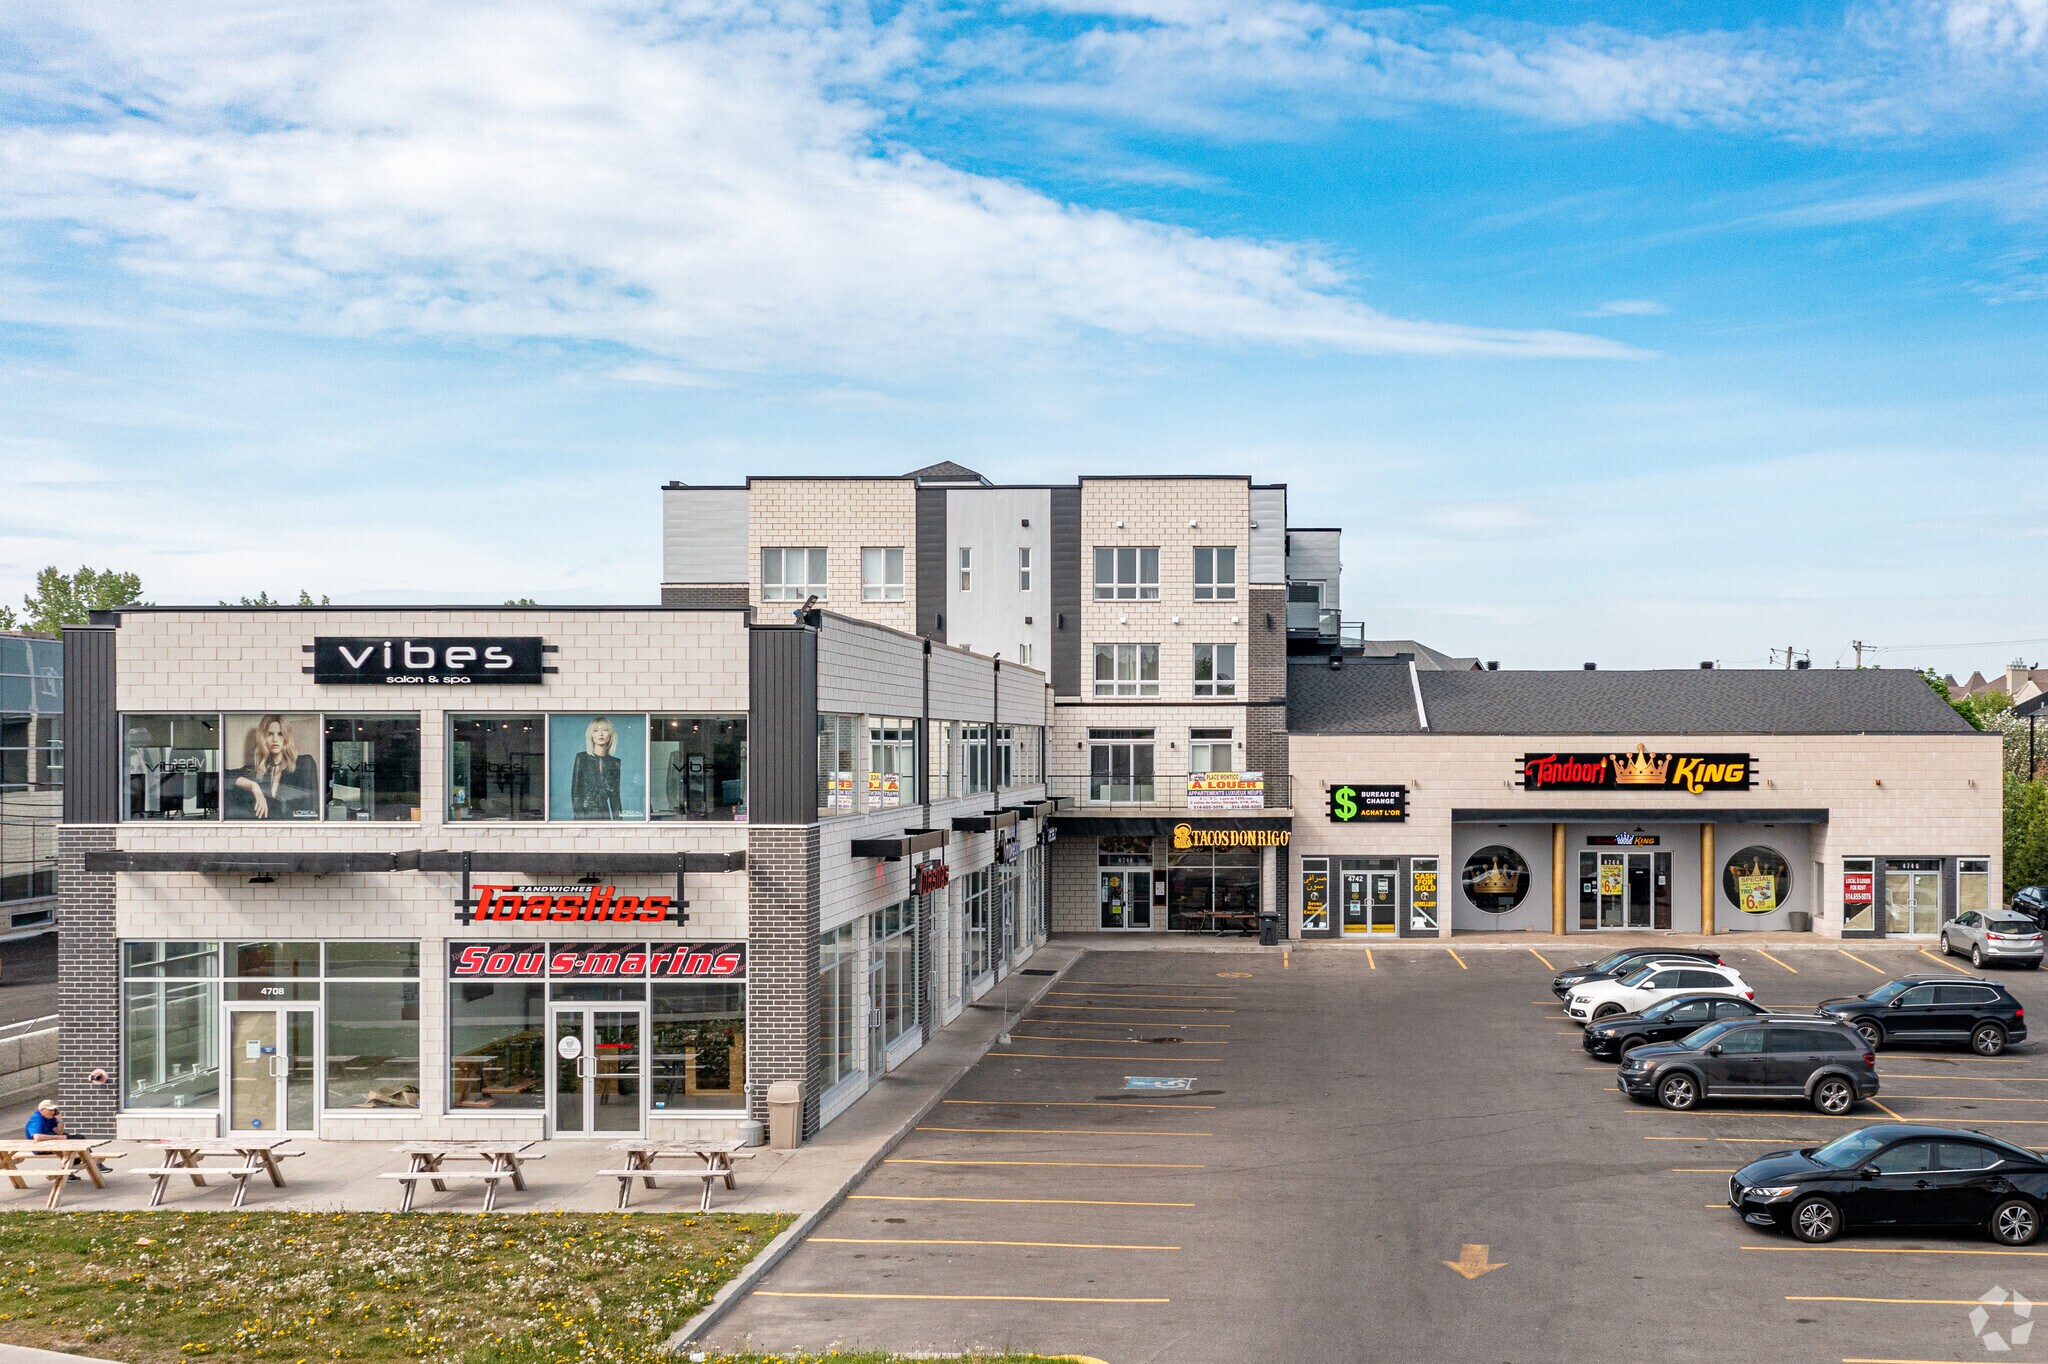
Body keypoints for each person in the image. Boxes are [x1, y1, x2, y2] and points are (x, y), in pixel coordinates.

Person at [227, 715, 317, 820]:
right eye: (270, 734)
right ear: (264, 738)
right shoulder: (257, 770)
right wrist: (253, 786)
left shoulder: (304, 763)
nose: (275, 739)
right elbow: (222, 777)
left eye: (280, 734)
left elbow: (311, 808)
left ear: (286, 737)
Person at [571, 716, 625, 819]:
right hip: (584, 816)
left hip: (604, 816)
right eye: (596, 730)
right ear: (591, 735)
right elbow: (576, 794)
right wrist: (581, 820)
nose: (600, 734)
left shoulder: (615, 763)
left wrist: (619, 822)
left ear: (610, 735)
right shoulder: (582, 758)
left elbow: (615, 798)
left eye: (605, 730)